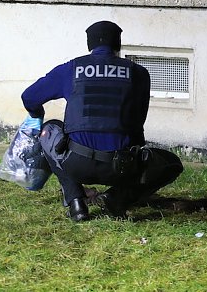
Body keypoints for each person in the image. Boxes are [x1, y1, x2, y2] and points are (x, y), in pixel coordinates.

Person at [22, 20, 184, 221]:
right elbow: (138, 122)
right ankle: (116, 198)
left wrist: (36, 115)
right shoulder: (139, 73)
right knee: (172, 164)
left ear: (89, 44)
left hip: (76, 163)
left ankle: (76, 202)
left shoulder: (71, 69)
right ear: (118, 44)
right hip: (121, 167)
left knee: (49, 129)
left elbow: (29, 97)